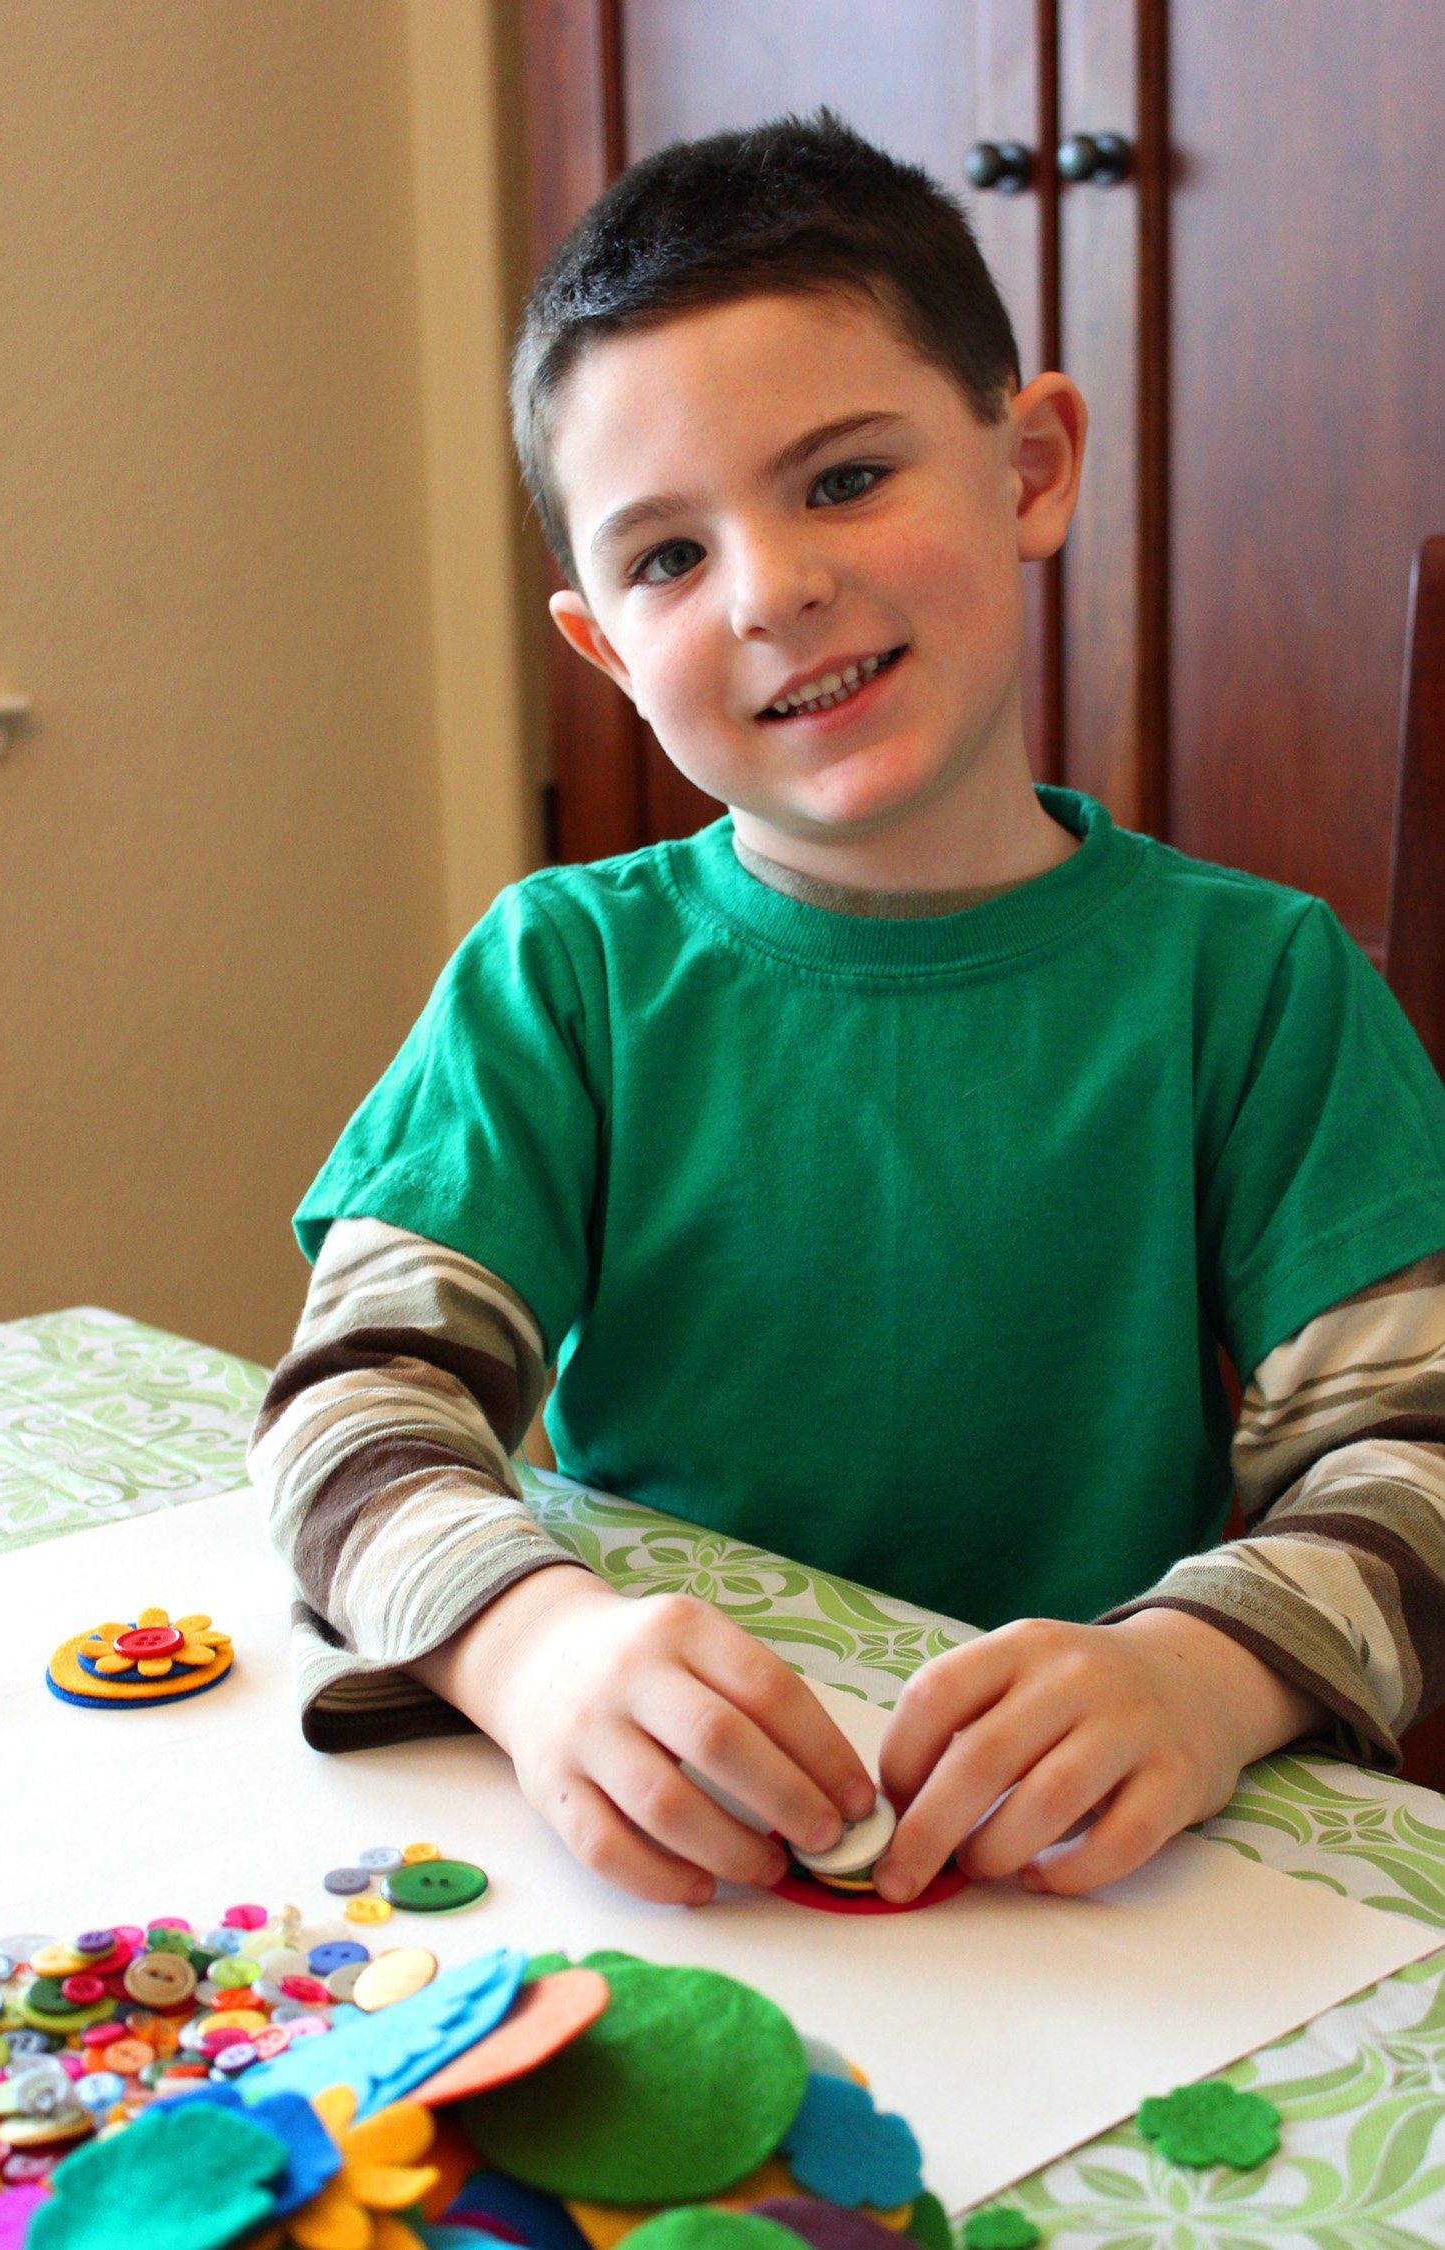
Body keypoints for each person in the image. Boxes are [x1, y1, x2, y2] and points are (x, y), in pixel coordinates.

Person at [249, 109, 1445, 1911]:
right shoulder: (559, 972)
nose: (772, 588)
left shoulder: (1255, 983)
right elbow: (353, 1405)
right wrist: (531, 1646)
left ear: (1031, 465)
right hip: (654, 1859)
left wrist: (1208, 1674)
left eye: (840, 478)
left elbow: (1412, 1448)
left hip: (1087, 1869)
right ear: (606, 651)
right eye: (665, 557)